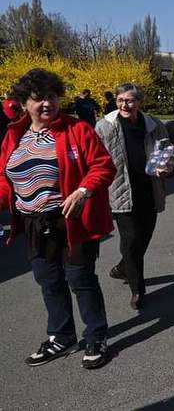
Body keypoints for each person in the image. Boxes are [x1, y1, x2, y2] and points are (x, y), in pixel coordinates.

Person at [0, 68, 116, 369]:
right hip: (34, 223)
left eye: (51, 97)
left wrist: (82, 191)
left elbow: (103, 166)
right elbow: (5, 178)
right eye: (38, 99)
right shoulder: (14, 136)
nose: (46, 104)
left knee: (80, 279)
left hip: (71, 220)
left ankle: (95, 335)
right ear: (25, 103)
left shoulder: (77, 129)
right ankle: (61, 335)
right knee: (48, 281)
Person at [95, 83, 173, 311]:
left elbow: (167, 151)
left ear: (139, 102)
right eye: (121, 100)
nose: (125, 105)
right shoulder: (105, 127)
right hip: (120, 191)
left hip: (149, 190)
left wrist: (167, 166)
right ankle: (138, 290)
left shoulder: (154, 125)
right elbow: (94, 157)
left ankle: (123, 268)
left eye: (130, 101)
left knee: (144, 235)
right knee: (130, 240)